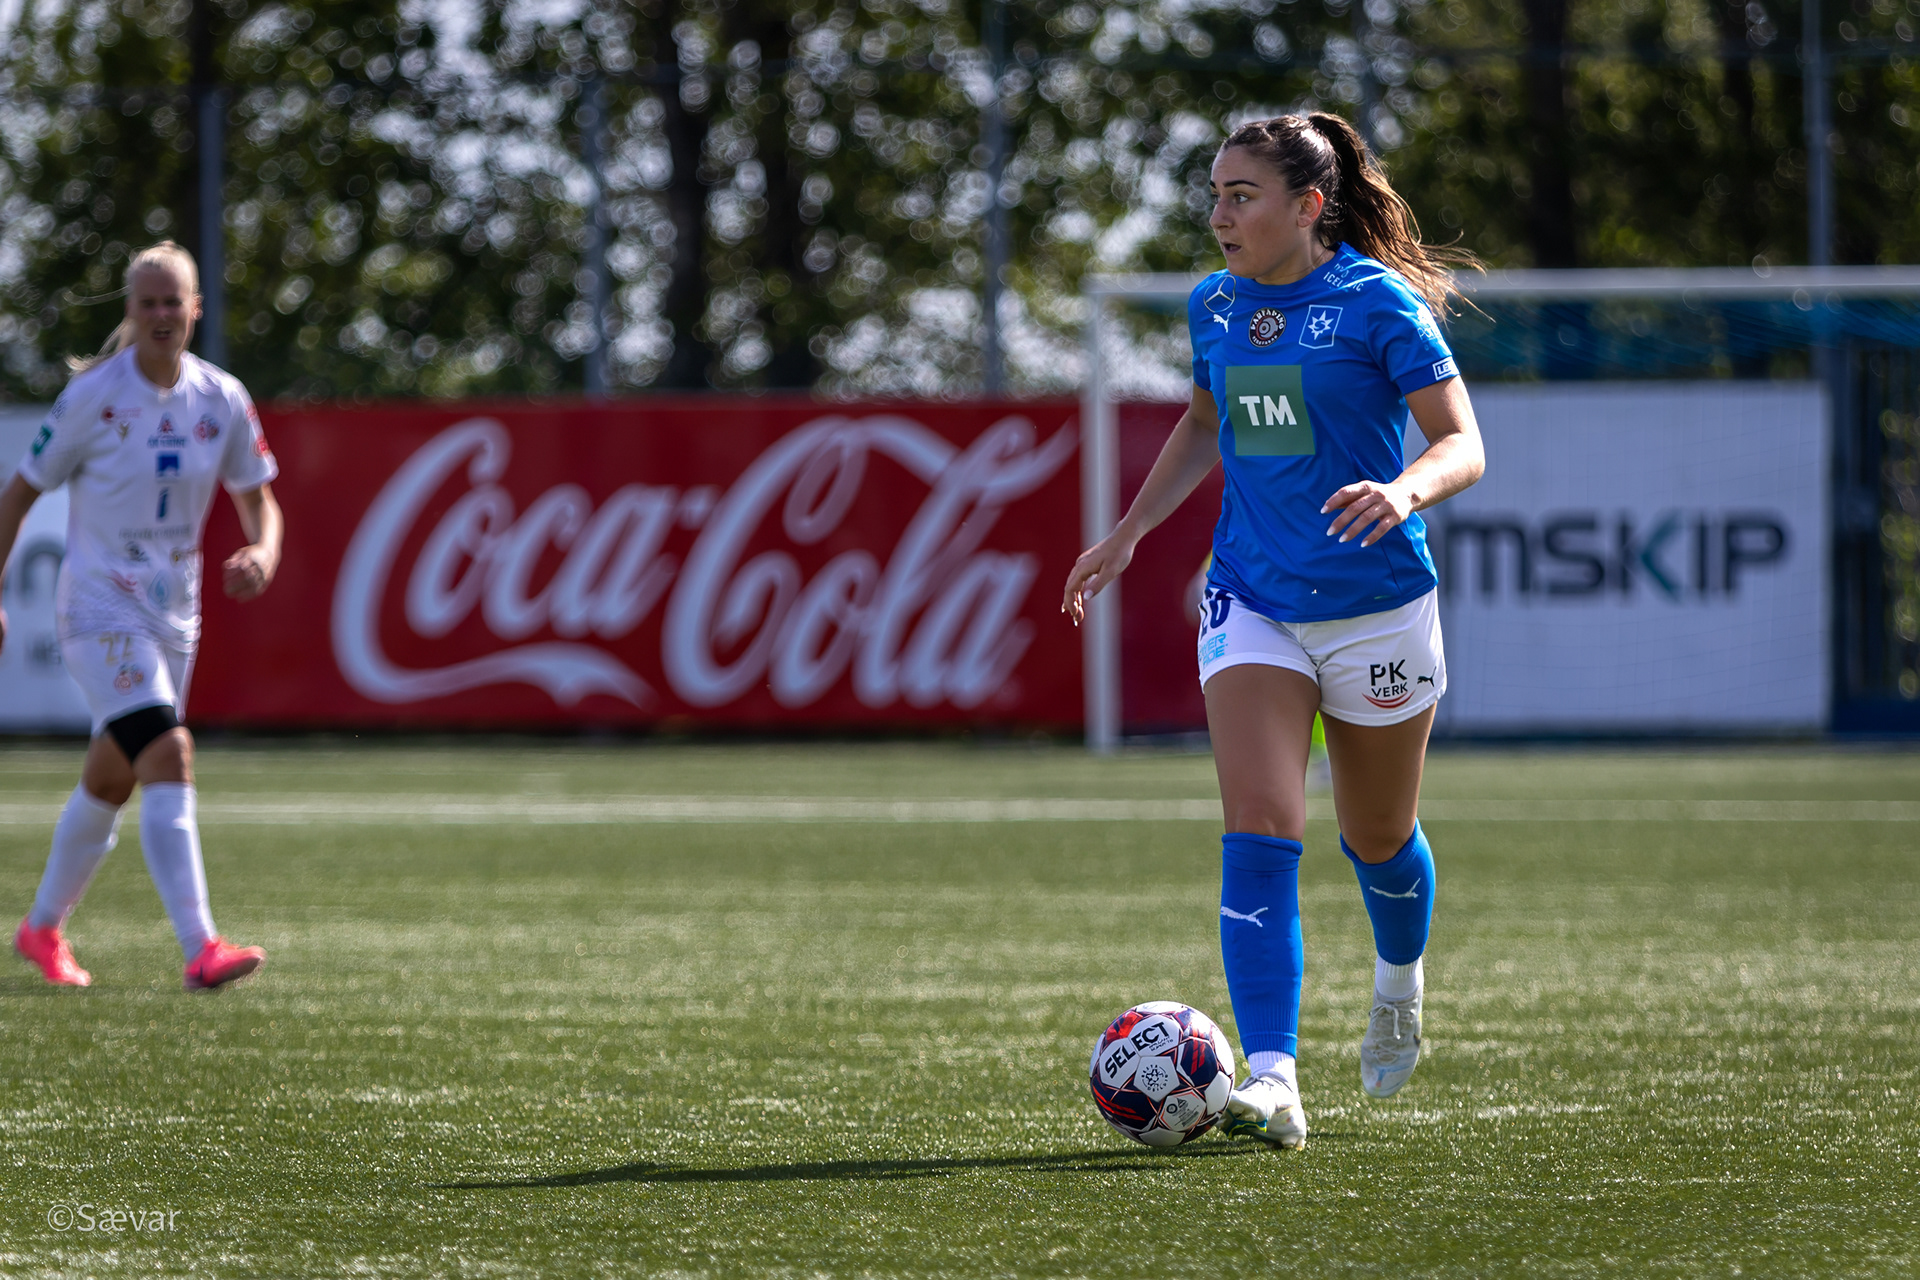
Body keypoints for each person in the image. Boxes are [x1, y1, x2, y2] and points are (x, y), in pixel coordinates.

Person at [1063, 114, 1486, 1147]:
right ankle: (1275, 1078)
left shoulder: (1375, 302)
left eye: (1241, 195)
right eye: (1214, 194)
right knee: (1260, 825)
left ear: (1309, 206)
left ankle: (1398, 982)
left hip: (1378, 608)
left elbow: (1462, 442)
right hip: (1251, 598)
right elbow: (1207, 420)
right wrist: (1128, 532)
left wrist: (1404, 490)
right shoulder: (1214, 303)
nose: (1219, 214)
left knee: (1377, 836)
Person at [0, 239, 282, 990]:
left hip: (175, 615)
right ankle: (201, 948)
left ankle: (40, 930)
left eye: (173, 301)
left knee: (112, 779)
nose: (161, 314)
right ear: (131, 309)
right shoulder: (94, 396)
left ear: (196, 309)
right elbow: (18, 495)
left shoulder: (221, 397)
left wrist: (264, 552)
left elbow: (260, 502)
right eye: (147, 301)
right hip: (98, 609)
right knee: (168, 752)